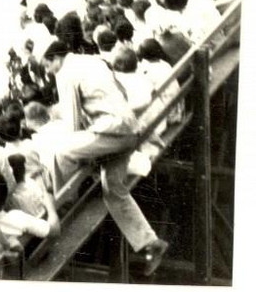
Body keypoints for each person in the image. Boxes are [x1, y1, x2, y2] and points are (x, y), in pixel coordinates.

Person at [43, 38, 169, 276]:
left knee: (62, 150)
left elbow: (71, 125)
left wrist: (86, 149)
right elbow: (119, 90)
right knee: (114, 190)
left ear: (55, 59)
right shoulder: (93, 60)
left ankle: (64, 206)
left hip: (111, 133)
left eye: (47, 66)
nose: (48, 71)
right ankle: (151, 244)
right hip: (130, 129)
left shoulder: (66, 74)